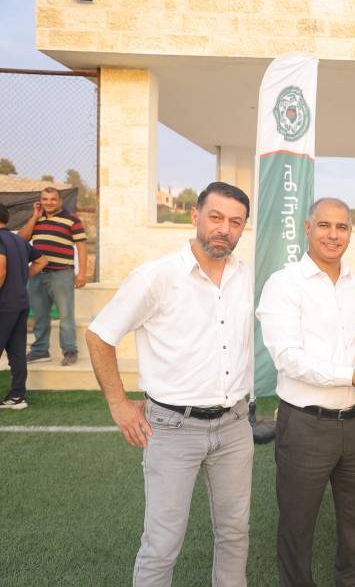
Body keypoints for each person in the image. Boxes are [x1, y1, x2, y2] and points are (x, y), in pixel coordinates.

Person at [85, 182, 254, 587]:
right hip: (173, 428)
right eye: (216, 217)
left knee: (235, 533)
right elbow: (99, 335)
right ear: (195, 216)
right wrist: (119, 404)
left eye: (235, 222)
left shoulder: (246, 276)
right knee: (162, 543)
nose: (224, 229)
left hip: (234, 426)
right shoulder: (156, 276)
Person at [256, 197, 355, 587]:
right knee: (297, 525)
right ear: (307, 228)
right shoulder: (283, 284)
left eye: (342, 227)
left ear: (350, 232)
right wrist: (351, 376)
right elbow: (288, 358)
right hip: (306, 425)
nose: (334, 235)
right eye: (324, 225)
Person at [17, 186, 87, 366]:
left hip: (62, 273)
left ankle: (70, 351)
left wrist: (82, 273)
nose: (49, 202)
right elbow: (21, 239)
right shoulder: (36, 219)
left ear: (60, 201)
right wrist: (34, 216)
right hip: (37, 274)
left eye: (53, 199)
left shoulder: (72, 220)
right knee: (40, 315)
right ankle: (40, 351)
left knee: (65, 315)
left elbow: (81, 247)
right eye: (45, 199)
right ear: (40, 201)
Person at [0, 204, 47, 410]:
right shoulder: (18, 240)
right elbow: (42, 261)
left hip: (3, 305)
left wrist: (12, 276)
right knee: (17, 352)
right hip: (20, 304)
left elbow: (1, 270)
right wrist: (20, 276)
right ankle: (17, 397)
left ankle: (17, 396)